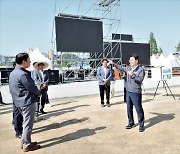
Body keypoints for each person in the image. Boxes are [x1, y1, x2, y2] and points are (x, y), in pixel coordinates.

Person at [9, 53, 41, 152]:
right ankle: (27, 145)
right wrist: (39, 93)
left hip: (19, 102)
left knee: (26, 123)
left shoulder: (13, 72)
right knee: (28, 124)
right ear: (23, 61)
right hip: (27, 102)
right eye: (29, 60)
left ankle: (25, 141)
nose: (30, 62)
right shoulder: (23, 74)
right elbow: (31, 88)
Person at [109, 54, 145, 132]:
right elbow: (121, 67)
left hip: (136, 92)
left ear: (136, 61)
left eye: (132, 60)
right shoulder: (128, 68)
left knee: (138, 109)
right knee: (129, 108)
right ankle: (131, 122)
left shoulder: (140, 70)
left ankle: (141, 125)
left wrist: (132, 75)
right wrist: (113, 63)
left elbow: (140, 80)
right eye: (130, 60)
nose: (130, 61)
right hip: (128, 91)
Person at [11, 61, 23, 138]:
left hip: (17, 96)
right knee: (18, 114)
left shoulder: (13, 74)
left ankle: (18, 128)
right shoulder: (15, 74)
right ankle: (18, 131)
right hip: (17, 96)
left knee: (17, 113)